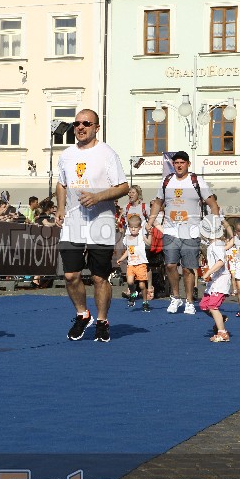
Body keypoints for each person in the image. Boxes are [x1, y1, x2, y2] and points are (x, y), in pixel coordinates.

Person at [55, 108, 129, 343]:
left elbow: (123, 187)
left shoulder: (107, 153)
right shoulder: (66, 155)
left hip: (101, 222)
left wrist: (98, 197)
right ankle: (82, 314)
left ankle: (102, 320)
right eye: (77, 123)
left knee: (99, 278)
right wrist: (60, 207)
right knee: (70, 275)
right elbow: (61, 184)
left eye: (86, 123)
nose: (80, 127)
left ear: (97, 127)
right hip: (73, 222)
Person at [145, 150, 219, 315]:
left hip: (191, 231)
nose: (179, 165)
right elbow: (157, 203)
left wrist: (214, 224)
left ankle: (189, 301)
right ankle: (175, 297)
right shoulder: (167, 181)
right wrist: (150, 221)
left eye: (182, 163)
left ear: (188, 164)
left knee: (188, 268)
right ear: (173, 164)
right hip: (171, 230)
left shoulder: (196, 181)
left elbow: (212, 203)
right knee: (170, 265)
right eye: (176, 163)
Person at [198, 215, 231, 342]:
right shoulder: (212, 245)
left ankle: (222, 333)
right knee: (204, 305)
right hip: (214, 279)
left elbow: (220, 262)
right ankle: (220, 319)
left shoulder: (216, 245)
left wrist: (208, 272)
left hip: (221, 279)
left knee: (212, 306)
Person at [122, 185, 154, 300]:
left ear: (138, 194)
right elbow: (125, 223)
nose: (130, 194)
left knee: (145, 264)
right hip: (130, 238)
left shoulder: (144, 207)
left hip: (142, 239)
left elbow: (151, 220)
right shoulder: (126, 207)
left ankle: (149, 288)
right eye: (129, 192)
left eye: (133, 192)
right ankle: (131, 289)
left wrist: (148, 232)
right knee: (131, 262)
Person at [116, 215, 152, 312]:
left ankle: (145, 302)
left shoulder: (141, 236)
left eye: (135, 227)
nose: (133, 229)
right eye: (131, 227)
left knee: (142, 285)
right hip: (131, 264)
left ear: (139, 228)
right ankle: (133, 293)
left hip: (141, 264)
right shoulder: (127, 238)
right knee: (130, 282)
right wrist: (121, 259)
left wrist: (149, 234)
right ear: (128, 227)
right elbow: (128, 251)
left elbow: (149, 243)